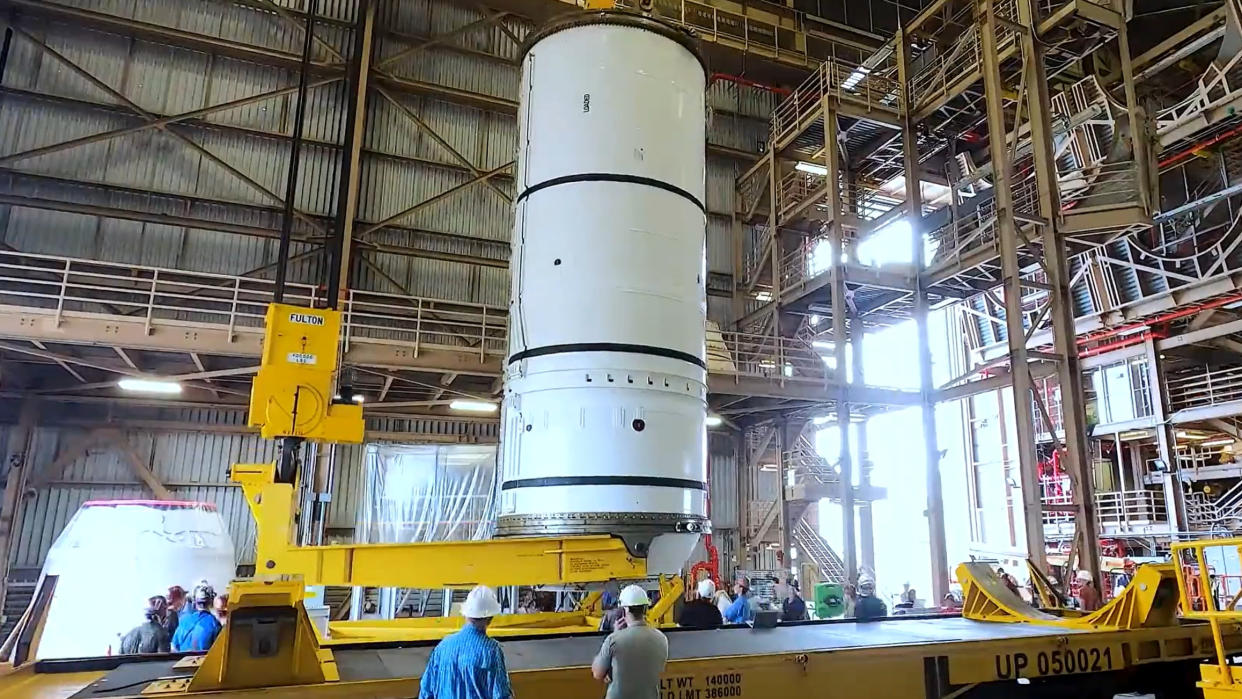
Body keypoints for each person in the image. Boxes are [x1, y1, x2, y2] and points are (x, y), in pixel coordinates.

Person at [418, 585, 513, 699]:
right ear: (490, 618)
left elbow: (426, 691)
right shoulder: (491, 651)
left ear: (466, 614)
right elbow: (501, 695)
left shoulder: (443, 647)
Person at [592, 585, 668, 699]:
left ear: (625, 610)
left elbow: (597, 673)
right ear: (645, 609)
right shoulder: (662, 638)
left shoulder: (614, 640)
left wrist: (615, 634)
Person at [172, 582, 223, 652]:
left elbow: (174, 648)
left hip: (182, 662)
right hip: (203, 662)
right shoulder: (214, 624)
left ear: (194, 602)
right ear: (211, 601)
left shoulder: (184, 621)